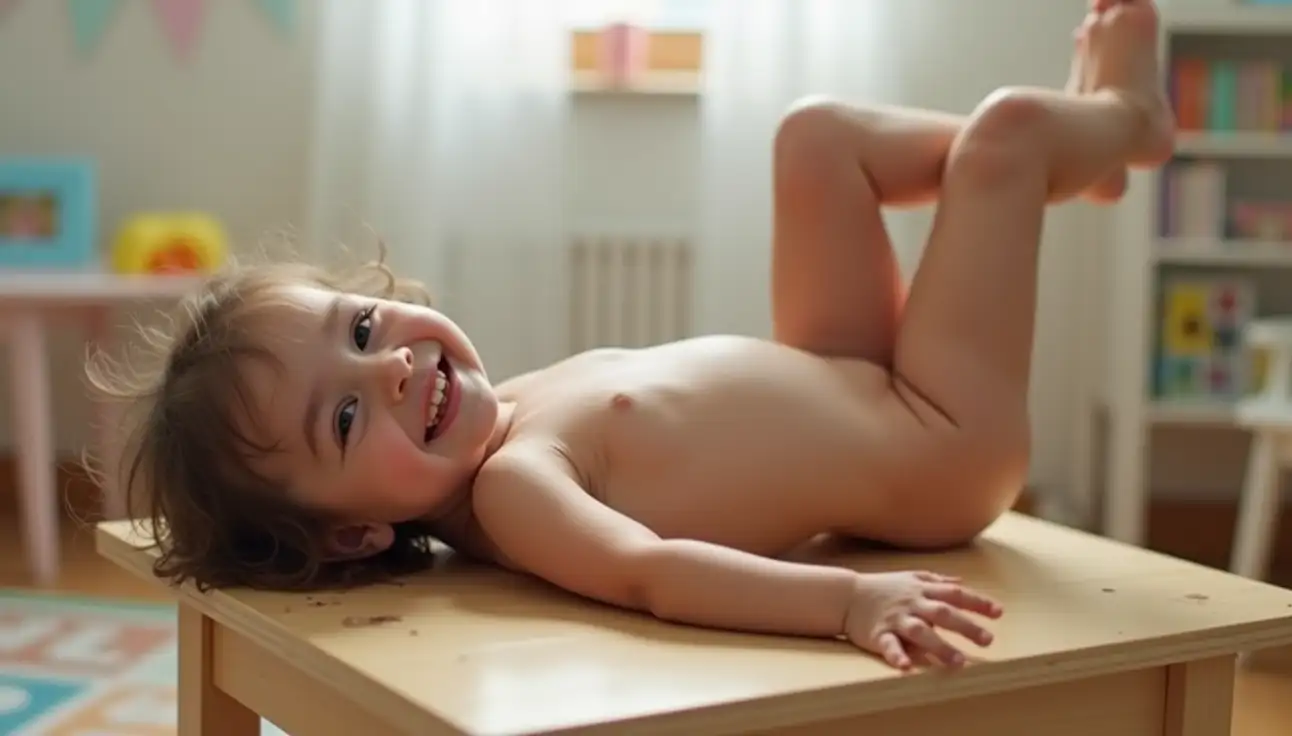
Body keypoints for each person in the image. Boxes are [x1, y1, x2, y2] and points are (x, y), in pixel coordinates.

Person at [87, 0, 1174, 672]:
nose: (391, 365)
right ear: (353, 538)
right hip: (937, 440)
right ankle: (1118, 124)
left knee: (813, 140)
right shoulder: (515, 487)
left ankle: (1060, 166)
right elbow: (654, 572)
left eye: (362, 328)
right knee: (999, 136)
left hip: (846, 368)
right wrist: (846, 602)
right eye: (343, 412)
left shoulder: (505, 411)